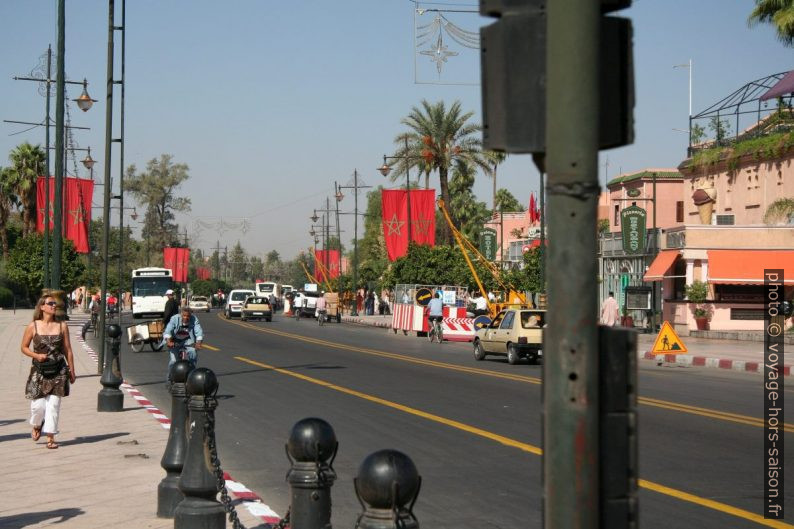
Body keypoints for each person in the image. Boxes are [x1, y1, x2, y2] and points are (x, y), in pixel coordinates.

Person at [20, 293, 76, 449]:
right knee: (38, 406)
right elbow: (23, 347)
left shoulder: (62, 326)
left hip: (59, 370)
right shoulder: (33, 326)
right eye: (50, 303)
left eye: (55, 304)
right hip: (39, 371)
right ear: (42, 307)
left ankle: (50, 436)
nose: (54, 306)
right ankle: (37, 424)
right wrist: (36, 355)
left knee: (54, 405)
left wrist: (72, 370)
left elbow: (68, 350)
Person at [163, 306, 204, 378]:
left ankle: (192, 375)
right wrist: (169, 342)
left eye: (188, 316)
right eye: (184, 315)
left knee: (193, 353)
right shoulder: (174, 318)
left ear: (190, 315)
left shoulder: (194, 319)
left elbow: (199, 331)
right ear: (181, 314)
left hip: (188, 340)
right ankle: (169, 377)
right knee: (173, 361)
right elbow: (168, 330)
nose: (186, 317)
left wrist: (198, 343)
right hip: (174, 340)